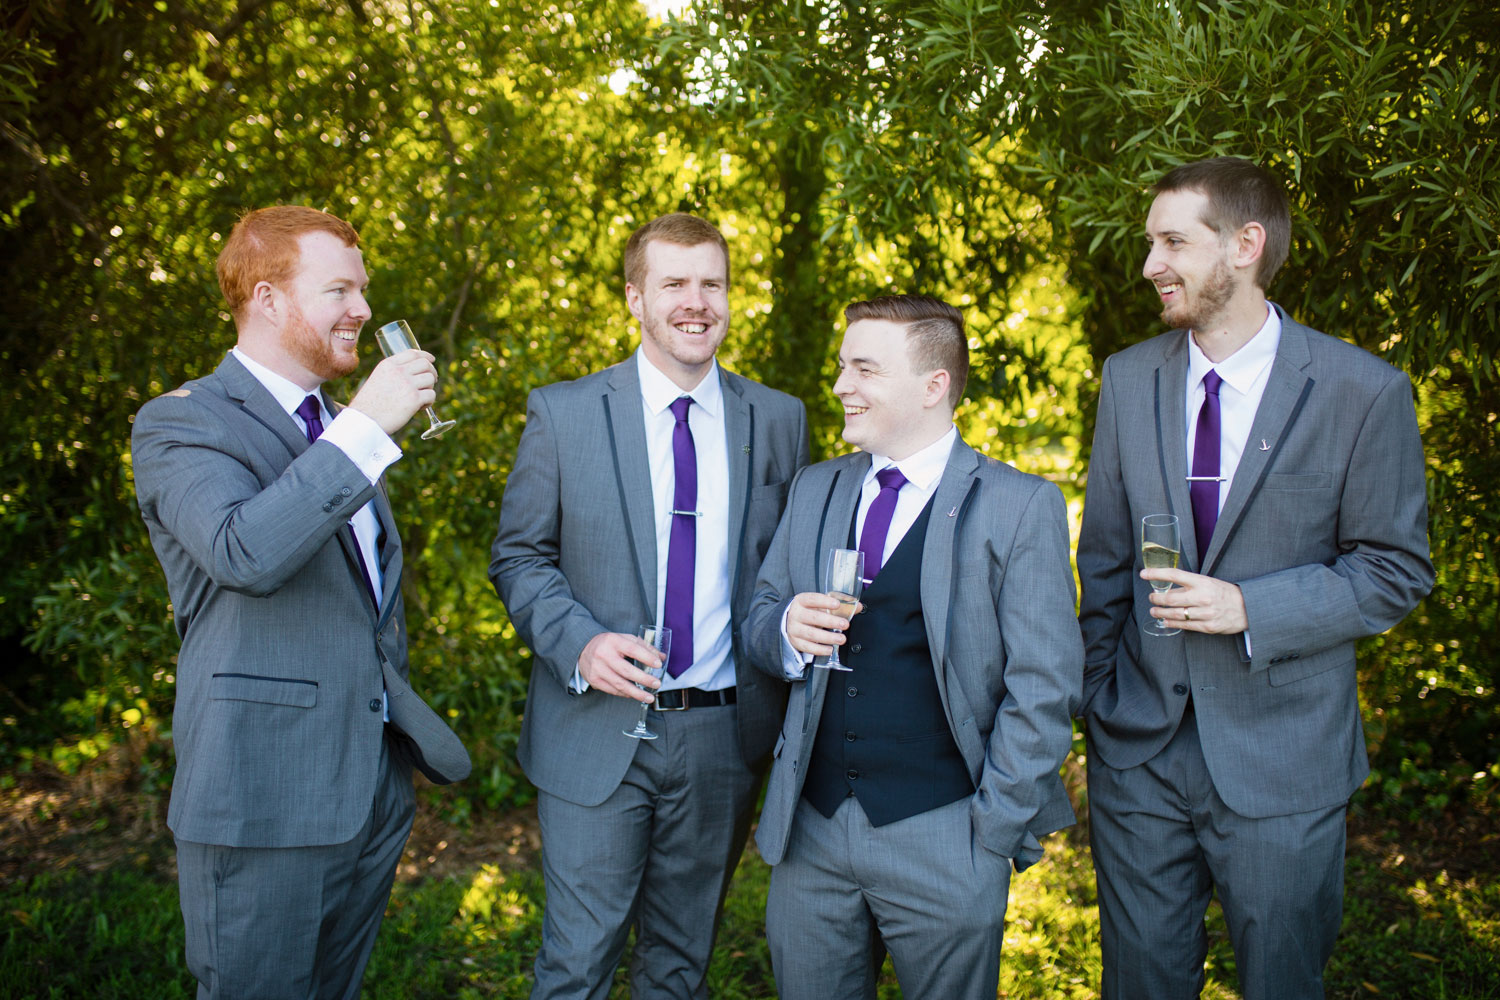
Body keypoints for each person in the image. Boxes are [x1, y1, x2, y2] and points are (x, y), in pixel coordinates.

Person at [1076, 156, 1435, 999]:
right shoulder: (1128, 380)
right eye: (1148, 242)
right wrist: (1098, 701)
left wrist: (1250, 607)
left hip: (1285, 756)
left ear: (1245, 243)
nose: (1149, 264)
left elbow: (1395, 569)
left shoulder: (1363, 392)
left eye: (1172, 241)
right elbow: (1102, 559)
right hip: (1139, 752)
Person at [131, 206, 471, 999]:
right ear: (267, 300)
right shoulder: (181, 422)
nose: (362, 309)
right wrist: (366, 430)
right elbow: (244, 552)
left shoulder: (331, 424)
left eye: (364, 289)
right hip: (264, 793)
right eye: (339, 290)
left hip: (366, 793)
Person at [488, 212, 809, 1000]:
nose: (697, 302)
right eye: (675, 284)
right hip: (595, 727)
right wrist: (580, 643)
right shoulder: (565, 414)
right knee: (577, 965)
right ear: (635, 298)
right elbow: (519, 556)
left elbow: (783, 570)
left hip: (722, 737)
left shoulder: (778, 418)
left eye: (713, 283)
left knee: (678, 966)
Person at [744, 294, 1082, 999]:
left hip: (947, 834)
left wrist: (987, 838)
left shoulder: (1020, 506)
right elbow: (759, 615)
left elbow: (1045, 688)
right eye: (843, 366)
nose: (841, 386)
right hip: (812, 832)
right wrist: (784, 631)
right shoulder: (816, 488)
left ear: (934, 386)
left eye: (864, 369)